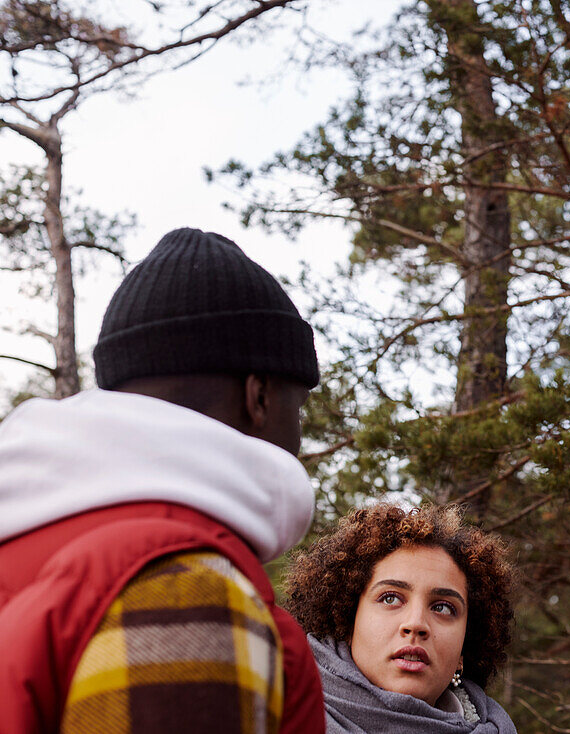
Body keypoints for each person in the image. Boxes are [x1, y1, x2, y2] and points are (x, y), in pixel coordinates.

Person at [0, 228, 326, 734]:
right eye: (297, 406)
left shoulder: (24, 545)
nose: (299, 434)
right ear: (258, 396)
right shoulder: (185, 585)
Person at [284, 503, 518, 733]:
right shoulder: (274, 713)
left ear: (464, 648)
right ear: (347, 621)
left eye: (443, 608)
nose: (416, 623)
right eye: (390, 599)